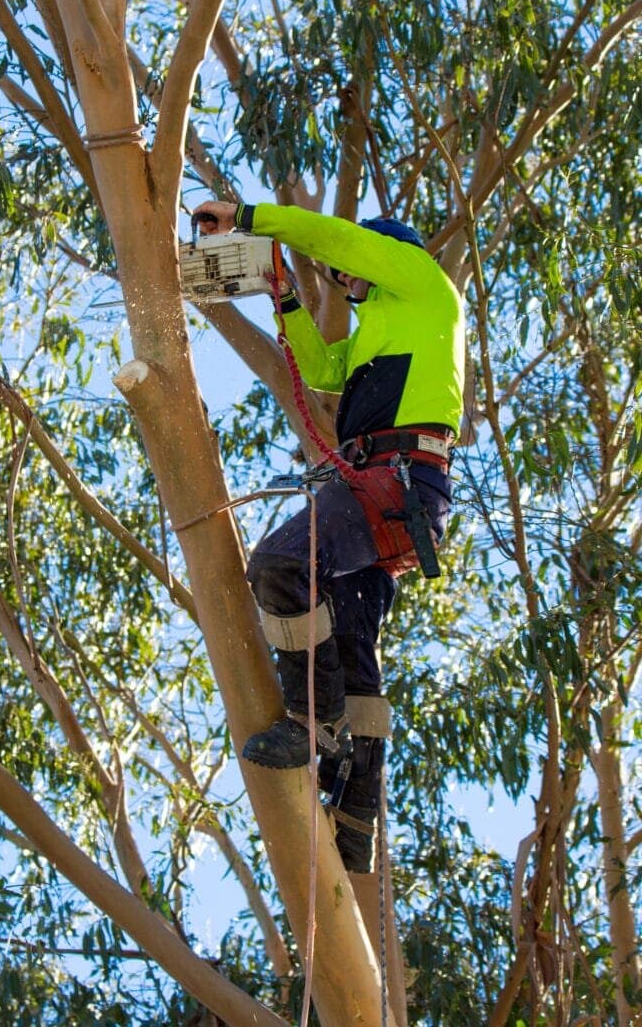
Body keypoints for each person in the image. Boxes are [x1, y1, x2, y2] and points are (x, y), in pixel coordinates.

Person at [191, 199, 466, 872]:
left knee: (281, 565)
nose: (344, 279)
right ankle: (355, 816)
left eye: (351, 269)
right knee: (349, 636)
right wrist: (285, 298)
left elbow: (336, 238)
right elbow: (318, 369)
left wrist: (249, 217)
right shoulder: (380, 332)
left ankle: (312, 720)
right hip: (393, 494)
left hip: (396, 480)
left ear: (387, 255)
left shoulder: (423, 282)